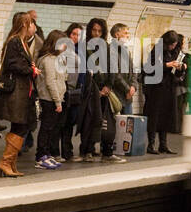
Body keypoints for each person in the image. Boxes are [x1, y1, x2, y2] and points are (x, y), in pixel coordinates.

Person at [0, 12, 40, 178]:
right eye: (31, 24)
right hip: (16, 93)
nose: (33, 27)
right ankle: (5, 162)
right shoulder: (15, 41)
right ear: (24, 25)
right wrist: (31, 69)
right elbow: (13, 64)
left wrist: (30, 67)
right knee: (20, 126)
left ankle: (10, 163)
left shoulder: (22, 42)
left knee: (21, 126)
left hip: (22, 91)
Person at [76, 18, 126, 163]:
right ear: (90, 30)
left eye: (99, 31)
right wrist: (94, 89)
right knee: (89, 121)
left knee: (107, 122)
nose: (96, 33)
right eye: (94, 30)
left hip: (105, 91)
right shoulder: (84, 47)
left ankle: (107, 151)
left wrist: (108, 87)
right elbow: (83, 70)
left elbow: (112, 69)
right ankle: (87, 150)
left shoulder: (107, 48)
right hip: (90, 90)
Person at [144, 30, 187, 154]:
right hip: (157, 87)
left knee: (166, 115)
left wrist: (182, 67)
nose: (173, 47)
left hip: (169, 87)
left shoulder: (176, 52)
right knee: (155, 116)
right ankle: (151, 144)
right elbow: (149, 68)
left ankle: (163, 144)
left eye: (174, 44)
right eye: (171, 45)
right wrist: (167, 65)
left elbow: (178, 71)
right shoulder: (157, 50)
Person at [35, 29, 68, 169]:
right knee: (46, 128)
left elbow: (63, 78)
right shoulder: (48, 60)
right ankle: (40, 156)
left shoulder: (57, 59)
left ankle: (47, 154)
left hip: (56, 98)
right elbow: (50, 82)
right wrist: (57, 101)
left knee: (51, 128)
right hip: (49, 99)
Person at [59, 23, 83, 161]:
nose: (75, 37)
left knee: (70, 123)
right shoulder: (63, 48)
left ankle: (67, 152)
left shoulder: (80, 50)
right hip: (64, 89)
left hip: (75, 91)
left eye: (78, 35)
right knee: (60, 122)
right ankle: (55, 152)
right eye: (73, 34)